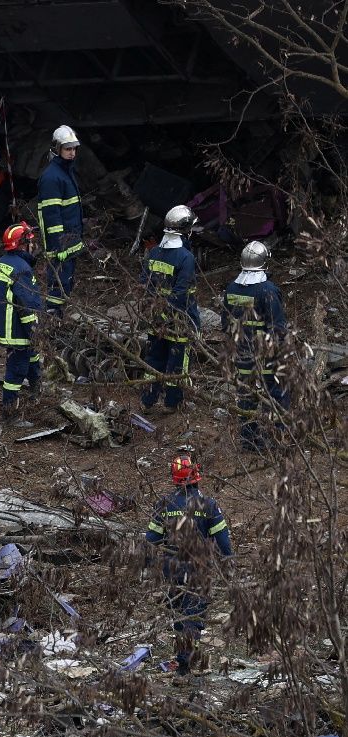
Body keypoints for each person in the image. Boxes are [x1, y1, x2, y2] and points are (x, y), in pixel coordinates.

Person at [145, 456, 232, 675]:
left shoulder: (164, 504)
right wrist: (228, 566)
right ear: (197, 476)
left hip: (171, 567)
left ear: (175, 479)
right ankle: (185, 663)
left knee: (179, 612)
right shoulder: (209, 505)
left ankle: (183, 658)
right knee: (193, 615)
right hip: (198, 568)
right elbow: (223, 542)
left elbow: (151, 539)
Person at [222, 240, 289, 451]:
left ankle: (249, 440)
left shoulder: (231, 289)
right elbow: (277, 328)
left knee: (246, 396)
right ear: (264, 263)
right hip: (266, 355)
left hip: (241, 353)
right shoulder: (268, 291)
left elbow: (226, 323)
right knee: (276, 395)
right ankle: (277, 438)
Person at [141, 205, 201, 412]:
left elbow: (145, 285)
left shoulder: (153, 253)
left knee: (154, 359)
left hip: (155, 318)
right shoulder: (186, 258)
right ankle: (172, 403)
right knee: (178, 361)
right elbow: (182, 292)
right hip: (179, 320)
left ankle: (148, 400)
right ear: (185, 230)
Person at [0, 222, 45, 412]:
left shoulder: (0, 263)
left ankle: (37, 393)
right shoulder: (21, 269)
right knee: (17, 369)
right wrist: (36, 332)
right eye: (30, 241)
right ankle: (10, 412)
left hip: (3, 325)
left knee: (33, 358)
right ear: (22, 245)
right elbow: (28, 306)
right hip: (17, 330)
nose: (33, 245)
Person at [36, 126, 84, 316]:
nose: (72, 153)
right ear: (57, 149)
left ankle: (58, 318)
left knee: (66, 283)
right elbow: (52, 216)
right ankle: (51, 320)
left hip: (70, 242)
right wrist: (59, 246)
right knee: (58, 286)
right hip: (61, 246)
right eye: (67, 149)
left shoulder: (65, 171)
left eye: (74, 149)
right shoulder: (51, 177)